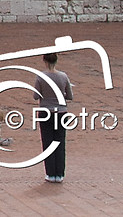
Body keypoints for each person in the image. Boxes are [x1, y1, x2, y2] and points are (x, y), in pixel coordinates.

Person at [33, 49, 74, 184]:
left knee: (48, 142)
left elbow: (35, 96)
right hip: (61, 112)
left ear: (44, 61)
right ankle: (59, 173)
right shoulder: (63, 76)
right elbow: (70, 96)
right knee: (60, 142)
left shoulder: (41, 77)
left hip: (45, 112)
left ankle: (50, 173)